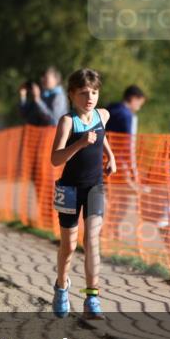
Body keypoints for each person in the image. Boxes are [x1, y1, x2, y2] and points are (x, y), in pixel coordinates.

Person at [49, 68, 116, 319]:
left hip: (95, 186)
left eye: (94, 93)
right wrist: (79, 143)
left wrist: (111, 156)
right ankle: (61, 287)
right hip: (69, 189)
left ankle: (92, 298)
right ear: (71, 94)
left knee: (92, 241)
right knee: (68, 245)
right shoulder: (67, 121)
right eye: (84, 93)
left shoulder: (103, 115)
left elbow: (101, 135)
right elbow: (55, 159)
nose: (90, 98)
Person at [103, 85, 146, 241]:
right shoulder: (128, 116)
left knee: (107, 195)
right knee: (124, 197)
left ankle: (106, 228)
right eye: (140, 103)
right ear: (134, 99)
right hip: (119, 163)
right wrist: (134, 172)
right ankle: (111, 228)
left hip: (100, 157)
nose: (139, 107)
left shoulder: (109, 109)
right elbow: (129, 146)